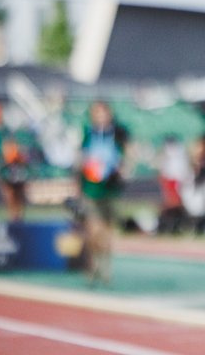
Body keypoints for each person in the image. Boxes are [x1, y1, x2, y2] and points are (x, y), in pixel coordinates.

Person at [78, 100, 128, 286]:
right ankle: (92, 264)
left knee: (107, 230)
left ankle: (105, 266)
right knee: (94, 230)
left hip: (111, 188)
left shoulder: (118, 134)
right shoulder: (88, 134)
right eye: (97, 113)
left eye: (104, 112)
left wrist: (121, 169)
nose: (101, 116)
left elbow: (126, 156)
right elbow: (81, 159)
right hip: (91, 189)